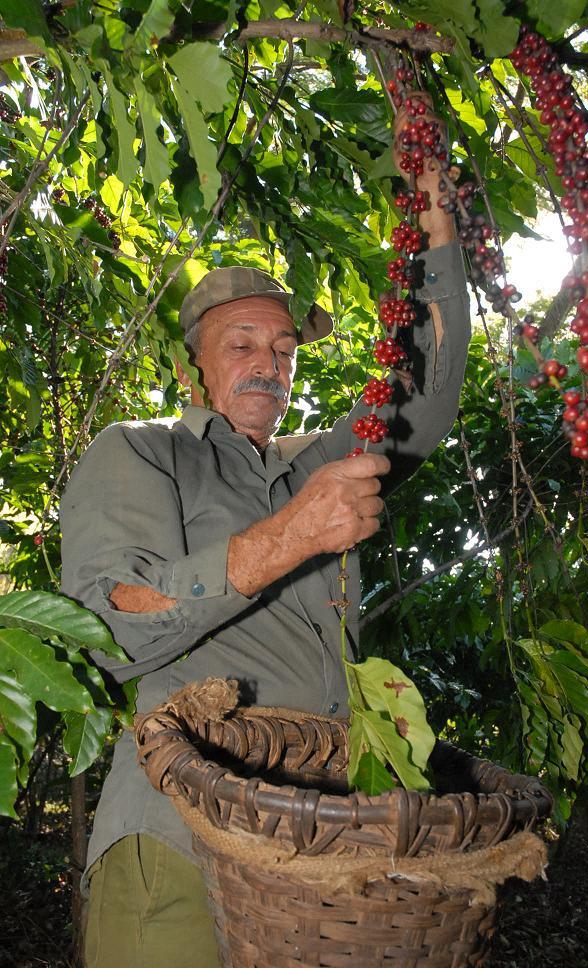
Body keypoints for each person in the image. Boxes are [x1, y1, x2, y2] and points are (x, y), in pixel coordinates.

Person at [60, 100, 471, 968]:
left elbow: (426, 395)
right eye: (241, 343)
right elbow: (107, 626)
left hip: (313, 850)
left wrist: (436, 225)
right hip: (177, 837)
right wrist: (288, 538)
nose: (268, 364)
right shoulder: (142, 451)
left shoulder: (312, 461)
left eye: (283, 349)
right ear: (193, 368)